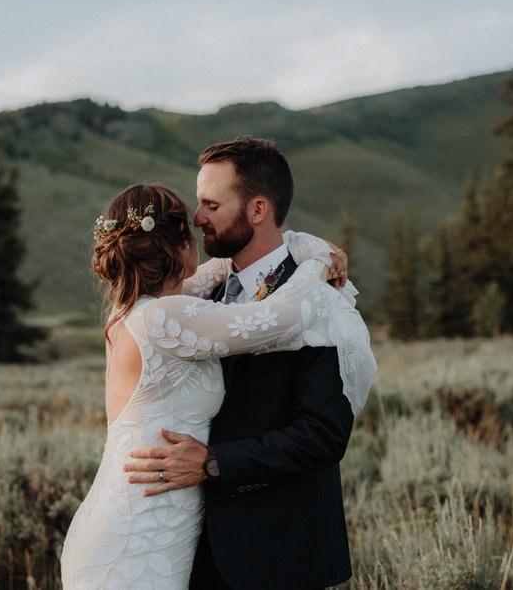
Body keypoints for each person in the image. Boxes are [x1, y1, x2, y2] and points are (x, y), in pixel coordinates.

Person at [60, 181, 373, 589]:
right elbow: (287, 315)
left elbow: (219, 272)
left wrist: (293, 245)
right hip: (137, 539)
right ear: (182, 243)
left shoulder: (134, 310)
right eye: (195, 219)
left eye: (211, 204)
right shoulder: (163, 318)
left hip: (143, 524)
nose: (202, 223)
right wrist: (318, 260)